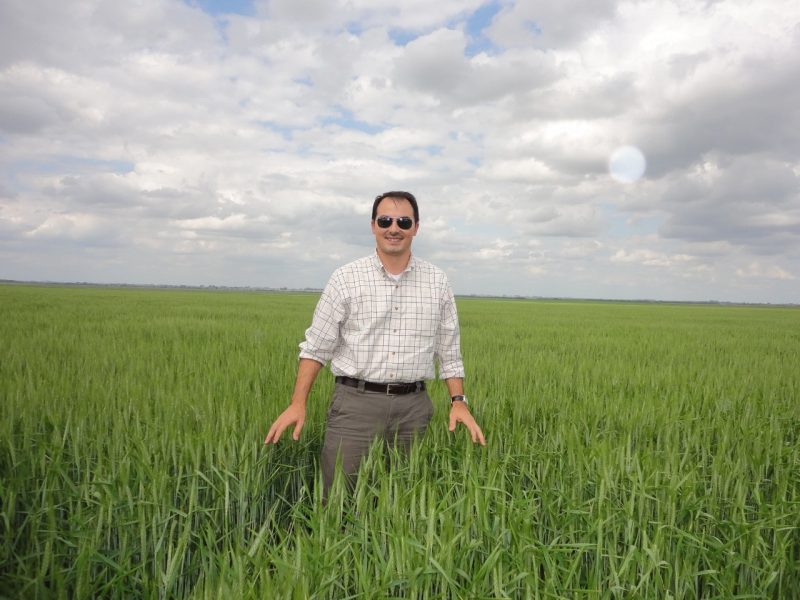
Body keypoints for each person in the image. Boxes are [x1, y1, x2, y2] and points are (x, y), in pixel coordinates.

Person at [264, 191, 485, 494]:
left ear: (416, 228)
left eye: (403, 221)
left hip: (414, 410)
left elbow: (449, 351)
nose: (394, 228)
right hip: (355, 406)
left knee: (404, 500)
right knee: (339, 497)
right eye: (385, 220)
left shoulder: (437, 281)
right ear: (373, 225)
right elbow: (316, 347)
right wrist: (297, 403)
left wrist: (458, 402)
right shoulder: (345, 278)